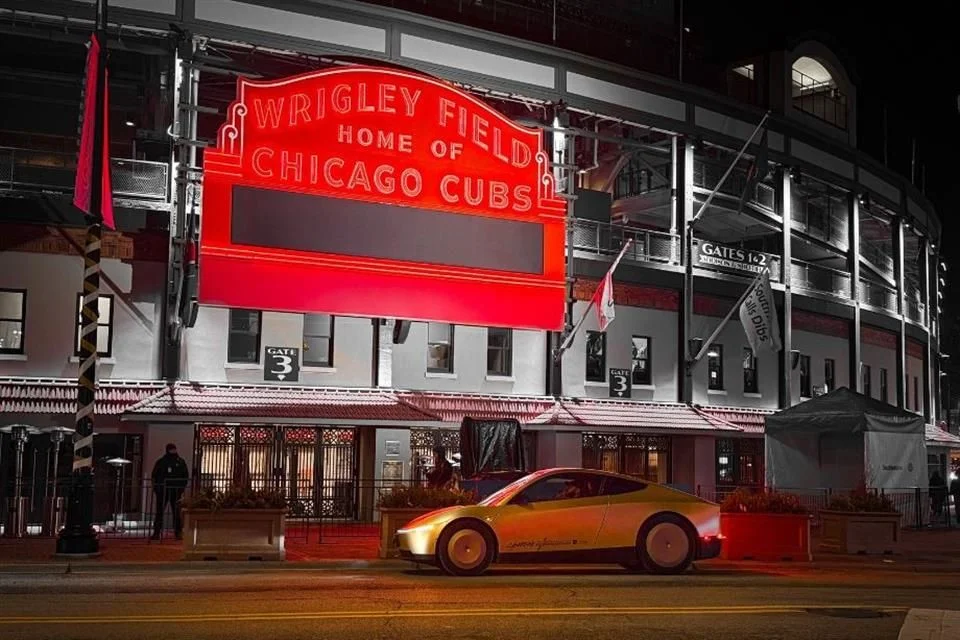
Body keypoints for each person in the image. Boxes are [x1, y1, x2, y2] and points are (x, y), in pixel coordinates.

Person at [151, 443, 189, 540]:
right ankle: (156, 532)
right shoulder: (161, 462)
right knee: (160, 512)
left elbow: (185, 476)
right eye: (171, 449)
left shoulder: (180, 462)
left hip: (175, 491)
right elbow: (154, 476)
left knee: (176, 513)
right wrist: (157, 489)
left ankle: (178, 532)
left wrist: (181, 488)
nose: (173, 451)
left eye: (174, 449)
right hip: (163, 491)